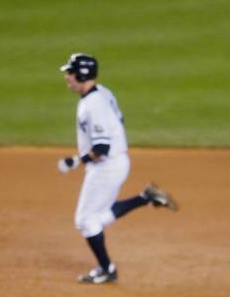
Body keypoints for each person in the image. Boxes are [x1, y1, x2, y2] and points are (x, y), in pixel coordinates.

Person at [58, 53, 178, 284]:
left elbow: (101, 147)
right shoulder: (103, 92)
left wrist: (76, 161)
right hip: (115, 163)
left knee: (85, 220)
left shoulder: (93, 104)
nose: (67, 77)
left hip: (107, 167)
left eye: (70, 73)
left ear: (82, 74)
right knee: (95, 218)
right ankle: (145, 198)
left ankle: (107, 269)